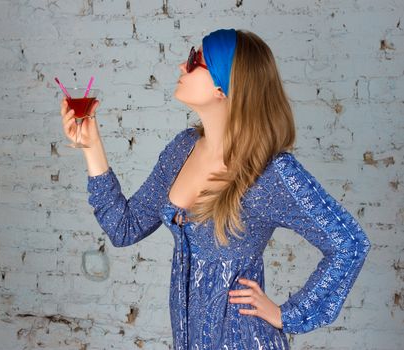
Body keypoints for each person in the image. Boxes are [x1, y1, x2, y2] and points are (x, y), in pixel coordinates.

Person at [60, 28, 371, 350]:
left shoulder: (271, 172)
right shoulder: (183, 149)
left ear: (224, 86)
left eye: (196, 61)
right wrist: (91, 146)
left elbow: (350, 244)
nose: (183, 66)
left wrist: (288, 315)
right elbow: (124, 228)